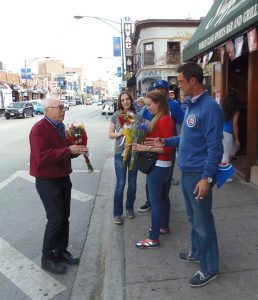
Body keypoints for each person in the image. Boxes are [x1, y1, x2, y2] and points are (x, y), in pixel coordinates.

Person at [147, 62, 223, 287]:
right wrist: (166, 140)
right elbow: (188, 138)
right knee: (193, 219)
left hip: (199, 174)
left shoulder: (209, 108)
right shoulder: (191, 105)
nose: (178, 86)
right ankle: (198, 252)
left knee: (203, 222)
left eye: (180, 81)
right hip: (188, 171)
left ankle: (210, 267)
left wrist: (206, 178)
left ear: (193, 81)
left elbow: (214, 147)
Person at [29, 95, 88, 274]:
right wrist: (68, 150)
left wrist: (76, 150)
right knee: (55, 219)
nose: (63, 110)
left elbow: (64, 152)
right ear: (47, 111)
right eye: (60, 107)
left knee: (64, 217)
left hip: (63, 177)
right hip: (47, 180)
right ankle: (47, 257)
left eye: (63, 107)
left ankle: (60, 251)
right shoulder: (38, 129)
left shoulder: (61, 127)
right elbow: (42, 158)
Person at [132, 90, 174, 248]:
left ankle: (153, 237)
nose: (147, 108)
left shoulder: (164, 120)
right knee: (163, 198)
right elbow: (159, 141)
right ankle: (163, 226)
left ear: (158, 103)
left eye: (149, 105)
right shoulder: (161, 118)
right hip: (162, 165)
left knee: (156, 201)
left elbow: (167, 149)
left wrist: (144, 148)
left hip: (159, 165)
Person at [139, 79, 185, 212]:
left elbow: (183, 123)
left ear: (166, 91)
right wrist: (136, 127)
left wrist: (180, 141)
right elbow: (146, 124)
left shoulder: (174, 105)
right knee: (150, 178)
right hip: (152, 149)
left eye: (162, 88)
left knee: (166, 180)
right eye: (157, 88)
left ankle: (161, 202)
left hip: (168, 146)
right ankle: (151, 201)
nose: (159, 90)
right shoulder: (150, 105)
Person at [109, 91, 138, 225]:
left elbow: (144, 129)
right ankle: (117, 213)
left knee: (132, 184)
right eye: (123, 100)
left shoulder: (137, 115)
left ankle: (129, 209)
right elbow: (110, 134)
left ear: (131, 100)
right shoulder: (116, 115)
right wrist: (122, 132)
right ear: (119, 102)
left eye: (127, 99)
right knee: (120, 184)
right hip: (119, 154)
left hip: (134, 154)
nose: (125, 102)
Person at [221, 90, 241, 182]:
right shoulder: (236, 112)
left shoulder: (222, 109)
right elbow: (235, 126)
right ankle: (224, 177)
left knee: (226, 153)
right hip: (228, 134)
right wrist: (237, 139)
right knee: (226, 154)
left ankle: (221, 172)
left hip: (221, 133)